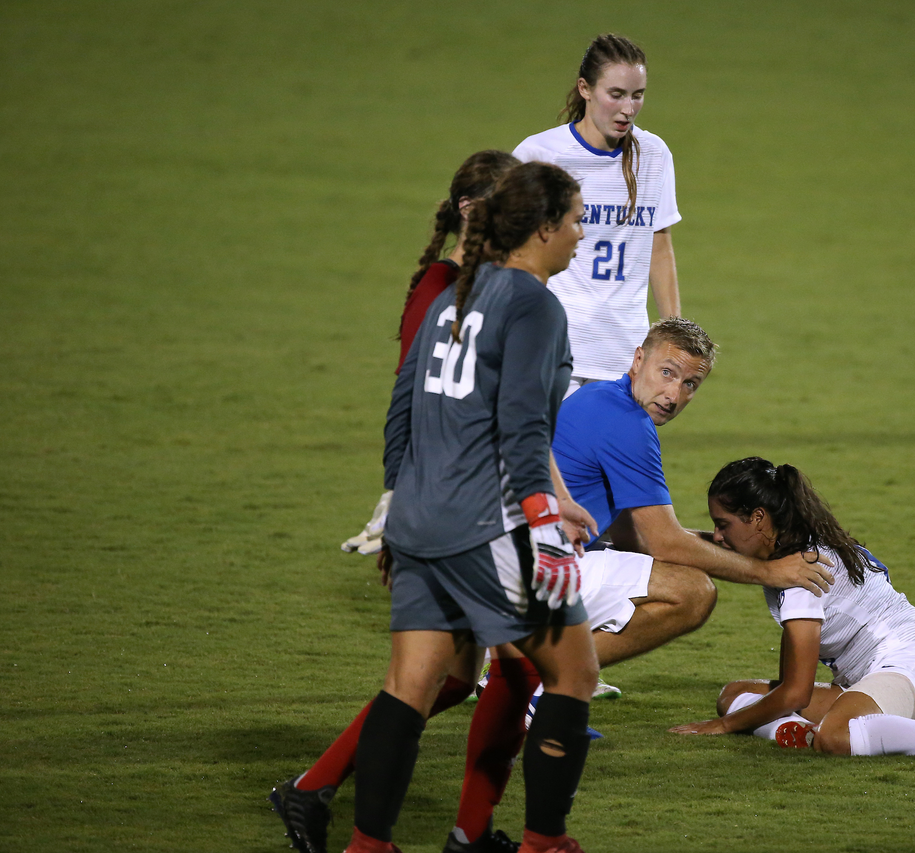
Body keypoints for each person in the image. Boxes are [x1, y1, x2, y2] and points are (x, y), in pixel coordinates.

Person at [270, 321, 836, 853]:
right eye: (667, 372)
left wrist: (697, 541)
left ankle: (320, 789)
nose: (677, 392)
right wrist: (765, 571)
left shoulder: (598, 403)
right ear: (638, 360)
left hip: (475, 543)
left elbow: (627, 531)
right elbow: (662, 542)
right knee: (690, 592)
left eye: (691, 383)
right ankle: (549, 696)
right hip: (515, 559)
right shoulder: (626, 425)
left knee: (440, 685)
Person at [339, 161, 596, 853]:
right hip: (485, 524)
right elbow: (521, 424)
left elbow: (403, 408)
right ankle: (545, 840)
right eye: (574, 218)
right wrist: (544, 520)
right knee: (574, 671)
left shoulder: (458, 290)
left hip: (419, 520)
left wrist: (399, 503)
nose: (580, 232)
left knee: (410, 683)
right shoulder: (535, 305)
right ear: (543, 228)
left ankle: (368, 845)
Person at [669, 457, 915, 766]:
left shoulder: (802, 574)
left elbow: (794, 694)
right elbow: (788, 683)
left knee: (834, 737)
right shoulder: (795, 549)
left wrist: (723, 728)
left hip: (912, 669)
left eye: (723, 525)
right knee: (733, 695)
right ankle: (791, 731)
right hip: (865, 680)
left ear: (759, 518)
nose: (717, 536)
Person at [341, 149, 520, 556]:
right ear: (469, 210)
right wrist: (399, 488)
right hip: (444, 481)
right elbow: (412, 391)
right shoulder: (439, 285)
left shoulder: (492, 285)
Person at [514, 33, 681, 393]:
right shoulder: (541, 155)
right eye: (616, 94)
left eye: (638, 96)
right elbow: (505, 249)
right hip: (555, 348)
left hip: (627, 355)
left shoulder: (654, 155)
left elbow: (660, 247)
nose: (628, 109)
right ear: (585, 89)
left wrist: (672, 338)